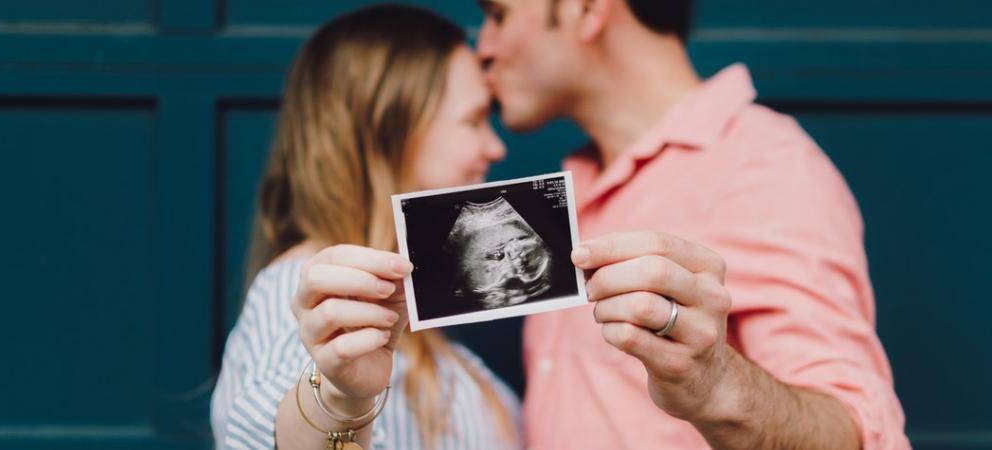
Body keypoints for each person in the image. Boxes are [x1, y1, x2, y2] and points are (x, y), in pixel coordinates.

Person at [475, 0, 910, 448]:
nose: (482, 48)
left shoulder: (762, 166)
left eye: (499, 16)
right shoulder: (572, 187)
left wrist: (715, 385)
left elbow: (856, 432)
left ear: (586, 9)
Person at [211, 5, 519, 449]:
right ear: (390, 130)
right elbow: (279, 432)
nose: (495, 148)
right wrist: (341, 397)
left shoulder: (420, 328)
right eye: (473, 120)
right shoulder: (311, 297)